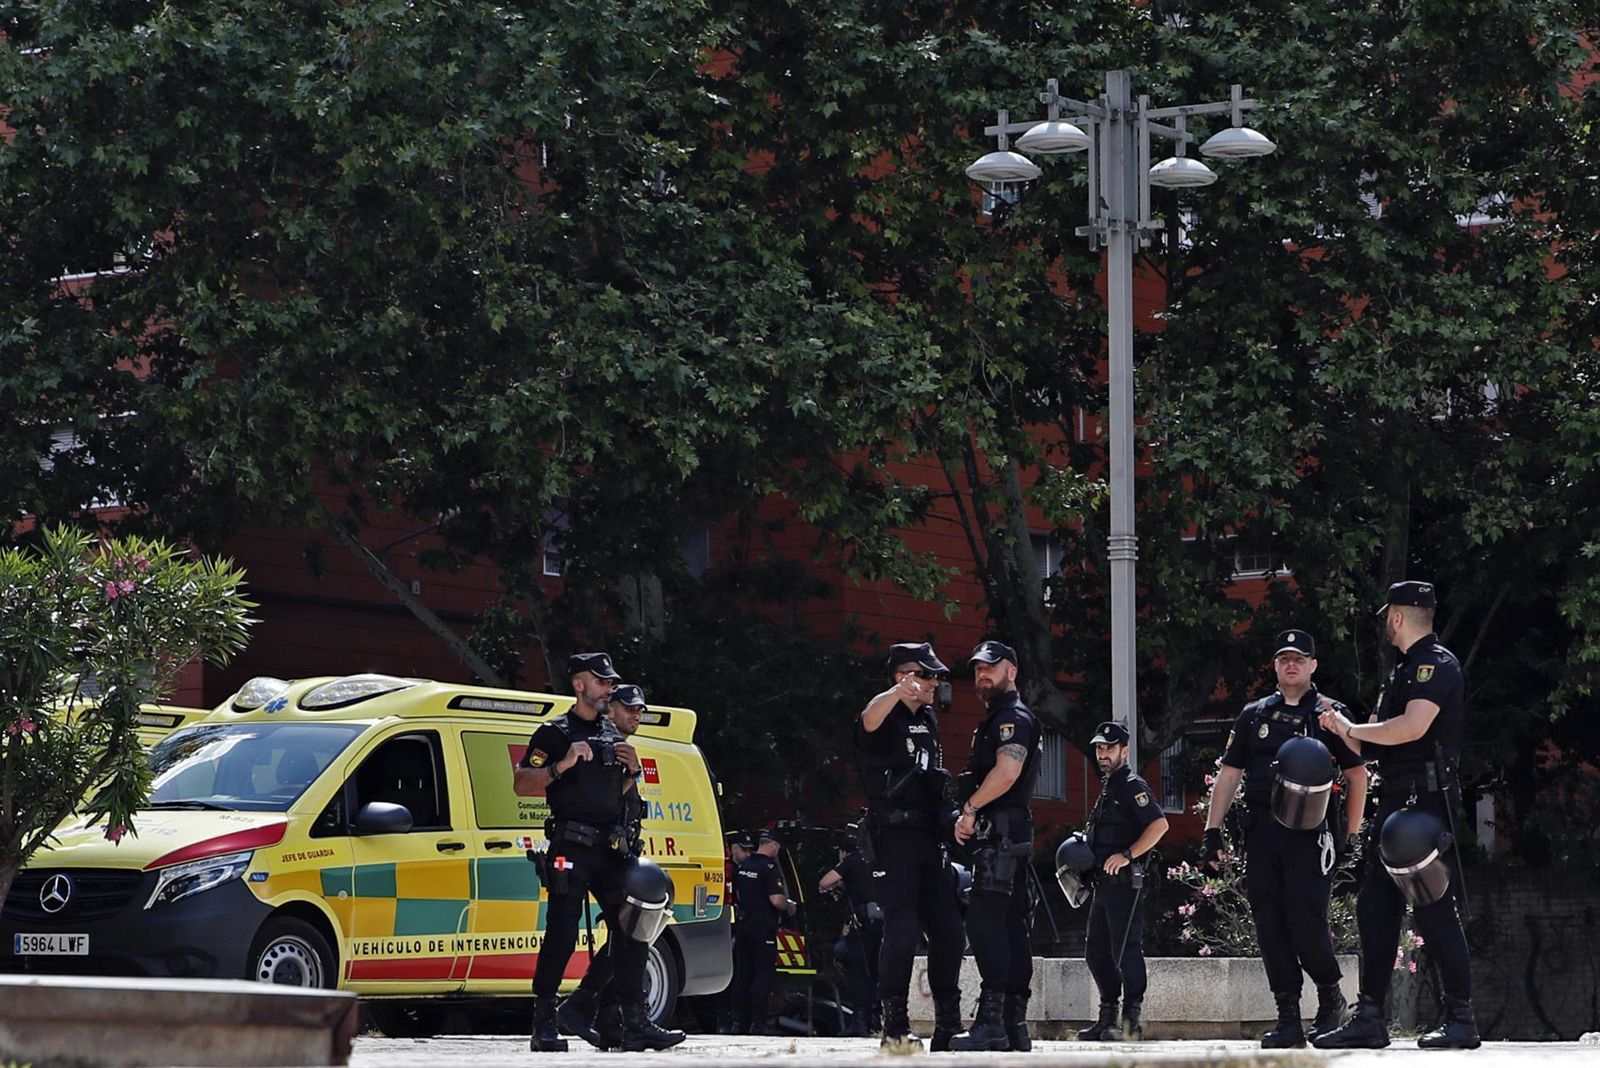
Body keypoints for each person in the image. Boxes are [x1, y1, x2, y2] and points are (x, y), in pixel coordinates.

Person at [1315, 581, 1481, 1050]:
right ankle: (1370, 1018)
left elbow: (1411, 727)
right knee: (1375, 907)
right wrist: (1337, 725)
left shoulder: (1435, 665)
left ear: (1396, 617)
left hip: (1423, 806)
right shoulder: (1404, 671)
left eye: (1386, 615)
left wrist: (1352, 728)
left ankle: (1461, 1020)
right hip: (1395, 804)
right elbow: (1370, 742)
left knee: (1433, 911)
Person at [1200, 629, 1367, 1047]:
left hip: (1311, 836)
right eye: (1283, 658)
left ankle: (1331, 998)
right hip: (1261, 833)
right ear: (1275, 666)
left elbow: (1357, 774)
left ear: (1313, 666)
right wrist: (1211, 831)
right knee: (1270, 923)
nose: (1291, 664)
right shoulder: (1254, 715)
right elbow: (1228, 775)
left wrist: (1349, 833)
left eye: (1299, 658)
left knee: (1305, 918)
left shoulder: (1331, 714)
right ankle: (1288, 1015)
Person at [513, 653, 680, 1053]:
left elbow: (612, 795)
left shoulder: (611, 733)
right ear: (579, 686)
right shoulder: (554, 733)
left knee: (635, 924)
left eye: (610, 683)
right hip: (570, 846)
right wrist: (562, 766)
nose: (608, 689)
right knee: (562, 933)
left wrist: (634, 773)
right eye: (602, 682)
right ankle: (545, 1024)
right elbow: (521, 783)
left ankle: (630, 1022)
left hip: (608, 849)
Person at [555, 684, 685, 1050]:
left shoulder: (619, 746)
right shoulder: (602, 742)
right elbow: (599, 800)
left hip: (617, 853)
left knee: (629, 936)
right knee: (632, 936)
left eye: (640, 710)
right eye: (628, 708)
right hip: (596, 855)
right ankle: (618, 1019)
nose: (636, 715)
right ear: (608, 708)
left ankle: (603, 1016)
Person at [854, 641, 966, 1052]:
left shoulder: (930, 718)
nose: (936, 682)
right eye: (927, 675)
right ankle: (894, 1028)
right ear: (905, 676)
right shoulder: (884, 715)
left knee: (949, 931)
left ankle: (948, 1026)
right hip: (894, 837)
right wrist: (897, 691)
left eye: (936, 675)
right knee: (901, 929)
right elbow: (867, 718)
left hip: (930, 837)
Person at [949, 640, 1042, 1052]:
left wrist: (969, 809)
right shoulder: (997, 718)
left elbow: (1006, 772)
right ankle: (1012, 1024)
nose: (981, 675)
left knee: (985, 922)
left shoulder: (1012, 718)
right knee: (1008, 925)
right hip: (1008, 833)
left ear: (1012, 671)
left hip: (1001, 833)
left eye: (991, 667)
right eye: (976, 670)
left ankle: (994, 1022)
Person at [1079, 720, 1168, 1043]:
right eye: (1100, 748)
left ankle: (1131, 1021)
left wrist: (1128, 855)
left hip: (1126, 884)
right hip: (1104, 884)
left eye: (1109, 749)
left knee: (1127, 951)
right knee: (1096, 953)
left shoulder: (1132, 785)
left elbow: (1159, 826)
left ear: (1124, 751)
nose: (1103, 754)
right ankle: (1107, 1017)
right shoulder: (1109, 786)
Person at [730, 827, 796, 1035]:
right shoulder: (769, 868)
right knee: (764, 974)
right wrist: (789, 906)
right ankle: (758, 1024)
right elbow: (776, 900)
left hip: (742, 925)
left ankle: (738, 1023)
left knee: (744, 975)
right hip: (762, 927)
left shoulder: (742, 866)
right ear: (774, 845)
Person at [819, 831, 881, 1037]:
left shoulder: (851, 860)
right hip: (882, 923)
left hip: (862, 924)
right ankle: (875, 1019)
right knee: (874, 970)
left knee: (858, 972)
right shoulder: (875, 858)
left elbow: (825, 882)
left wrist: (838, 880)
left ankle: (860, 1023)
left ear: (843, 852)